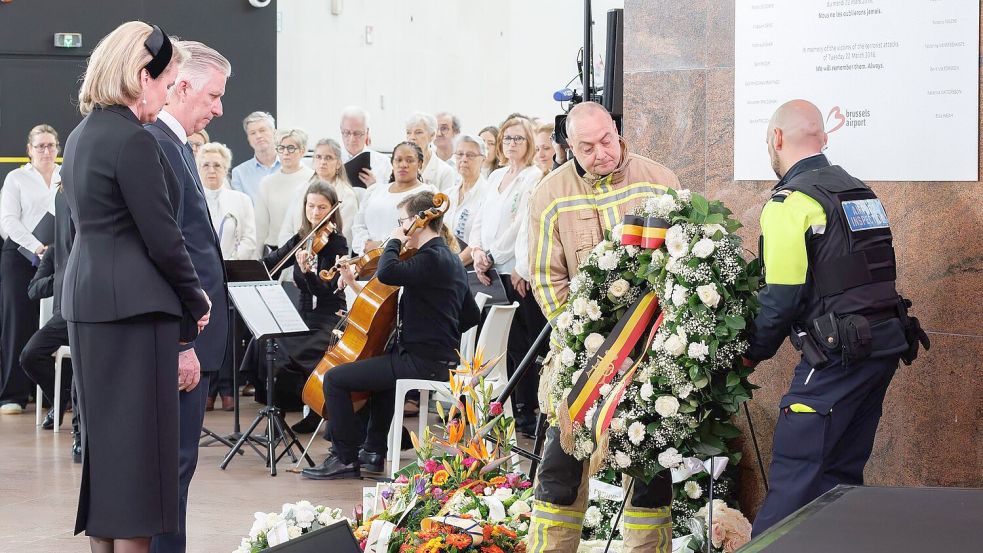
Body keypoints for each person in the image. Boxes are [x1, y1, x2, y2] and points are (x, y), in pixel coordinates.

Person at [61, 22, 211, 553]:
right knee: (143, 464)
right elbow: (164, 239)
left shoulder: (81, 136)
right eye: (167, 83)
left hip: (88, 306)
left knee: (108, 458)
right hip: (135, 314)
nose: (168, 95)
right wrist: (196, 300)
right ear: (142, 76)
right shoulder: (133, 141)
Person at [744, 100, 915, 536]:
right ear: (822, 138)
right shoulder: (860, 191)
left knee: (794, 482)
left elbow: (781, 298)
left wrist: (749, 354)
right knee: (840, 485)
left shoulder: (789, 203)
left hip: (836, 359)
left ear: (777, 138)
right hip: (883, 348)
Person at [526, 102, 679, 553]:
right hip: (582, 360)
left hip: (650, 355)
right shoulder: (549, 194)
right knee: (559, 469)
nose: (601, 154)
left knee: (649, 471)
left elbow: (683, 259)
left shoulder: (660, 180)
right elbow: (546, 277)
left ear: (616, 130)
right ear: (569, 147)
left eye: (606, 141)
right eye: (587, 148)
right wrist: (580, 337)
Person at [301, 190, 480, 479]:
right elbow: (471, 315)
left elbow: (387, 272)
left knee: (334, 379)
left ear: (419, 222)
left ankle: (344, 458)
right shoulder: (449, 258)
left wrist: (395, 240)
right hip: (436, 358)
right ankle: (373, 451)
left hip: (422, 362)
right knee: (382, 376)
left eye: (402, 221)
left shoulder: (430, 258)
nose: (400, 227)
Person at [145, 40, 231, 553]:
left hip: (192, 335)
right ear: (180, 86)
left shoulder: (177, 144)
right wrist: (184, 343)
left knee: (178, 467)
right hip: (183, 337)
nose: (218, 109)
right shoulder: (158, 144)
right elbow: (168, 250)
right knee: (171, 468)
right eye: (213, 95)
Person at [240, 182, 348, 408]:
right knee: (263, 341)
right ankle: (276, 407)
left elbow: (325, 289)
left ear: (332, 209)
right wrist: (242, 271)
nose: (315, 212)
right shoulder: (302, 238)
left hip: (328, 319)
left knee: (289, 351)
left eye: (321, 207)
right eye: (311, 206)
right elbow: (271, 262)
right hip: (303, 316)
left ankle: (300, 403)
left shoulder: (337, 243)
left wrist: (307, 273)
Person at [469, 117, 544, 432]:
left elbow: (523, 224)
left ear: (529, 143)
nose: (512, 143)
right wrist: (477, 251)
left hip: (514, 270)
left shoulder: (533, 176)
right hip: (490, 271)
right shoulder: (496, 175)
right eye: (508, 138)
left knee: (522, 346)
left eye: (519, 138)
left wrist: (494, 256)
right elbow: (480, 219)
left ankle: (526, 411)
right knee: (498, 344)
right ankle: (501, 407)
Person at [0, 124, 60, 414]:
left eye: (50, 145)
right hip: (20, 256)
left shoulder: (65, 176)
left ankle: (52, 395)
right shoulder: (16, 178)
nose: (46, 151)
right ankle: (12, 394)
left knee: (52, 324)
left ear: (57, 148)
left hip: (56, 258)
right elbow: (8, 221)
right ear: (29, 150)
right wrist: (37, 246)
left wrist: (52, 250)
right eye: (40, 146)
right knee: (18, 322)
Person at [21, 186, 76, 451]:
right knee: (29, 355)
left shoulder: (87, 246)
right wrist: (60, 278)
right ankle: (60, 398)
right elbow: (33, 290)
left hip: (86, 315)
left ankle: (75, 413)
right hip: (60, 318)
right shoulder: (54, 252)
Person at [351, 142, 436, 255]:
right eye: (398, 160)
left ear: (420, 164)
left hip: (405, 258)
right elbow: (358, 225)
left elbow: (423, 232)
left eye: (409, 160)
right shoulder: (374, 190)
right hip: (367, 258)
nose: (403, 165)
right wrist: (365, 245)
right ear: (392, 163)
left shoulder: (427, 192)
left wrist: (383, 246)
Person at [279, 138, 359, 248]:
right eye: (318, 157)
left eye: (328, 158)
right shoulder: (302, 189)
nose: (323, 162)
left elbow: (345, 239)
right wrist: (294, 252)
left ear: (338, 163)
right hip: (295, 254)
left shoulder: (347, 196)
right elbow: (286, 230)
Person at [254, 128, 315, 254]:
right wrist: (256, 257)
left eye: (291, 148)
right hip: (274, 250)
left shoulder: (313, 179)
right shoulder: (267, 182)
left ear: (302, 151)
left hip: (304, 249)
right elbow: (260, 225)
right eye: (281, 148)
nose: (285, 153)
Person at [198, 142, 257, 261]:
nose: (211, 170)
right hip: (199, 267)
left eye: (217, 165)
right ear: (198, 169)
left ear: (226, 170)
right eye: (206, 165)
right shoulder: (190, 201)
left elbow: (249, 240)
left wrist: (230, 262)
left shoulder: (242, 200)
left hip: (233, 267)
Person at [444, 134, 489, 266]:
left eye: (470, 155)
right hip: (446, 263)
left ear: (483, 159)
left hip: (472, 266)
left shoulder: (488, 194)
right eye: (459, 154)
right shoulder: (447, 195)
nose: (464, 159)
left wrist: (453, 267)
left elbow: (481, 240)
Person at [230, 111, 280, 201]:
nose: (258, 136)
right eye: (253, 133)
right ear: (248, 138)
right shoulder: (239, 173)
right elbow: (240, 206)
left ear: (274, 133)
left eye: (262, 130)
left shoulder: (292, 166)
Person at [339, 106, 392, 188]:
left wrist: (374, 186)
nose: (352, 139)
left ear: (367, 132)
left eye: (357, 133)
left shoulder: (383, 162)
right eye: (346, 132)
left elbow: (390, 193)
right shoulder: (332, 159)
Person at [405, 111, 458, 193]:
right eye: (408, 132)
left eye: (418, 132)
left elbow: (446, 200)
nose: (412, 137)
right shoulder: (399, 166)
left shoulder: (445, 171)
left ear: (432, 135)